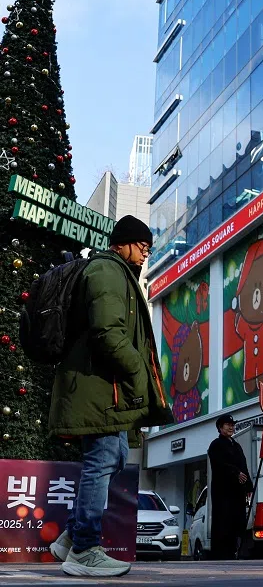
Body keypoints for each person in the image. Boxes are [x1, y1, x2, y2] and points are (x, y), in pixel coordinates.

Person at [48, 215, 173, 577]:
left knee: (114, 456)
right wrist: (138, 372)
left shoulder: (119, 274)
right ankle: (85, 549)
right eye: (142, 245)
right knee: (103, 460)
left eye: (149, 247)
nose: (146, 253)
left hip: (106, 389)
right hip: (100, 388)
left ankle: (71, 538)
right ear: (122, 242)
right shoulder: (107, 271)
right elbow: (107, 332)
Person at [207, 414, 254, 560]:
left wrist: (248, 487)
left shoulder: (236, 445)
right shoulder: (216, 445)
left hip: (237, 492)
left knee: (237, 522)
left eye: (232, 425)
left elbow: (244, 466)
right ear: (220, 428)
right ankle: (220, 554)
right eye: (227, 425)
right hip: (223, 492)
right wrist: (235, 473)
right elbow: (219, 464)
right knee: (223, 522)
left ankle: (234, 551)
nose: (231, 427)